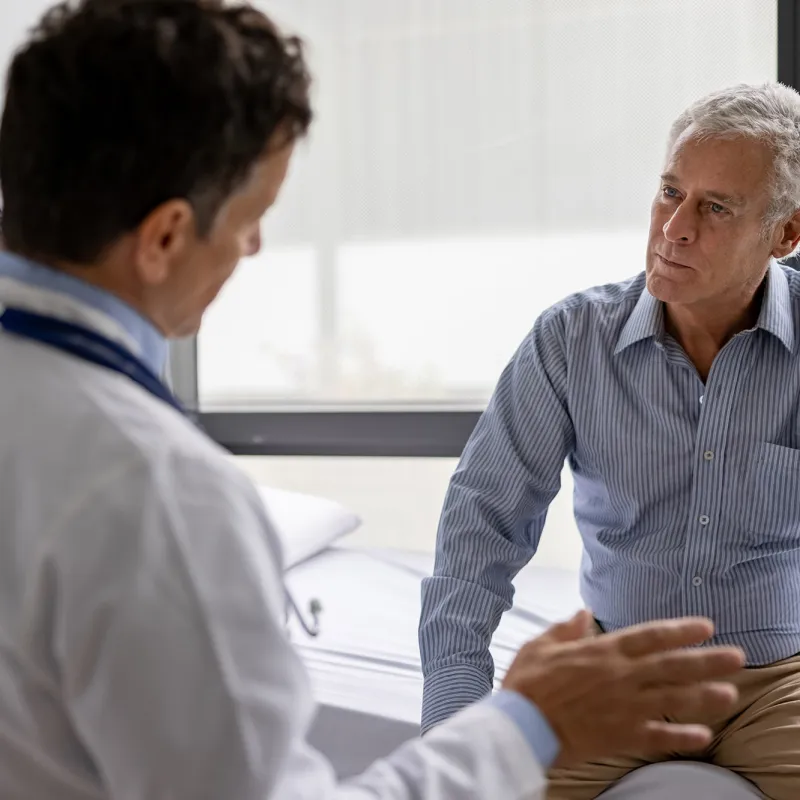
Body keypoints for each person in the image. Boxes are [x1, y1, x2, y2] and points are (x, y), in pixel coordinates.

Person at [0, 2, 746, 798]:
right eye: (252, 220)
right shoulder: (162, 499)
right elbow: (481, 524)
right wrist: (526, 723)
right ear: (163, 239)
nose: (253, 248)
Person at [418, 80, 800, 800]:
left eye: (716, 207)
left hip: (780, 687)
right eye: (669, 192)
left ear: (785, 234)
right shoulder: (570, 340)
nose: (674, 228)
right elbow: (480, 531)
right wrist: (454, 719)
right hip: (614, 680)